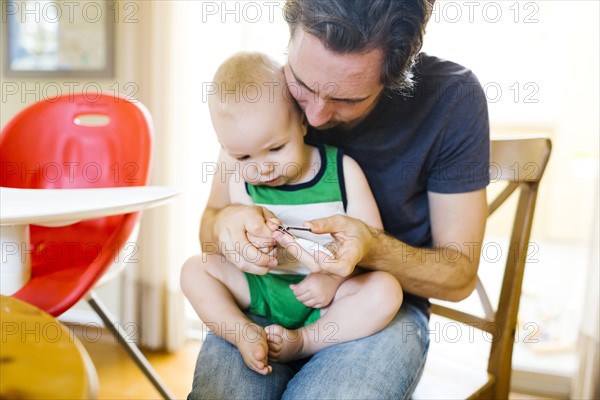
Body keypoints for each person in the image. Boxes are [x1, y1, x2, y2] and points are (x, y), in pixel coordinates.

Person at [187, 0, 490, 398]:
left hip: (364, 302)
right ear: (291, 38)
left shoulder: (452, 98)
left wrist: (367, 250)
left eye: (346, 100)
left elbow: (458, 276)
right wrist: (225, 222)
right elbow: (209, 235)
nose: (312, 117)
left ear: (397, 75)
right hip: (265, 294)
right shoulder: (264, 93)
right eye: (302, 83)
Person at [181, 51, 402, 376]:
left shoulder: (342, 171)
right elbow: (214, 237)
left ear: (301, 121)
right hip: (261, 287)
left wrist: (334, 279)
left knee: (385, 290)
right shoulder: (234, 172)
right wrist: (240, 239)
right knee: (193, 270)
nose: (261, 168)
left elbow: (371, 244)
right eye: (243, 156)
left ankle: (305, 341)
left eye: (275, 148)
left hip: (328, 299)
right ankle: (243, 333)